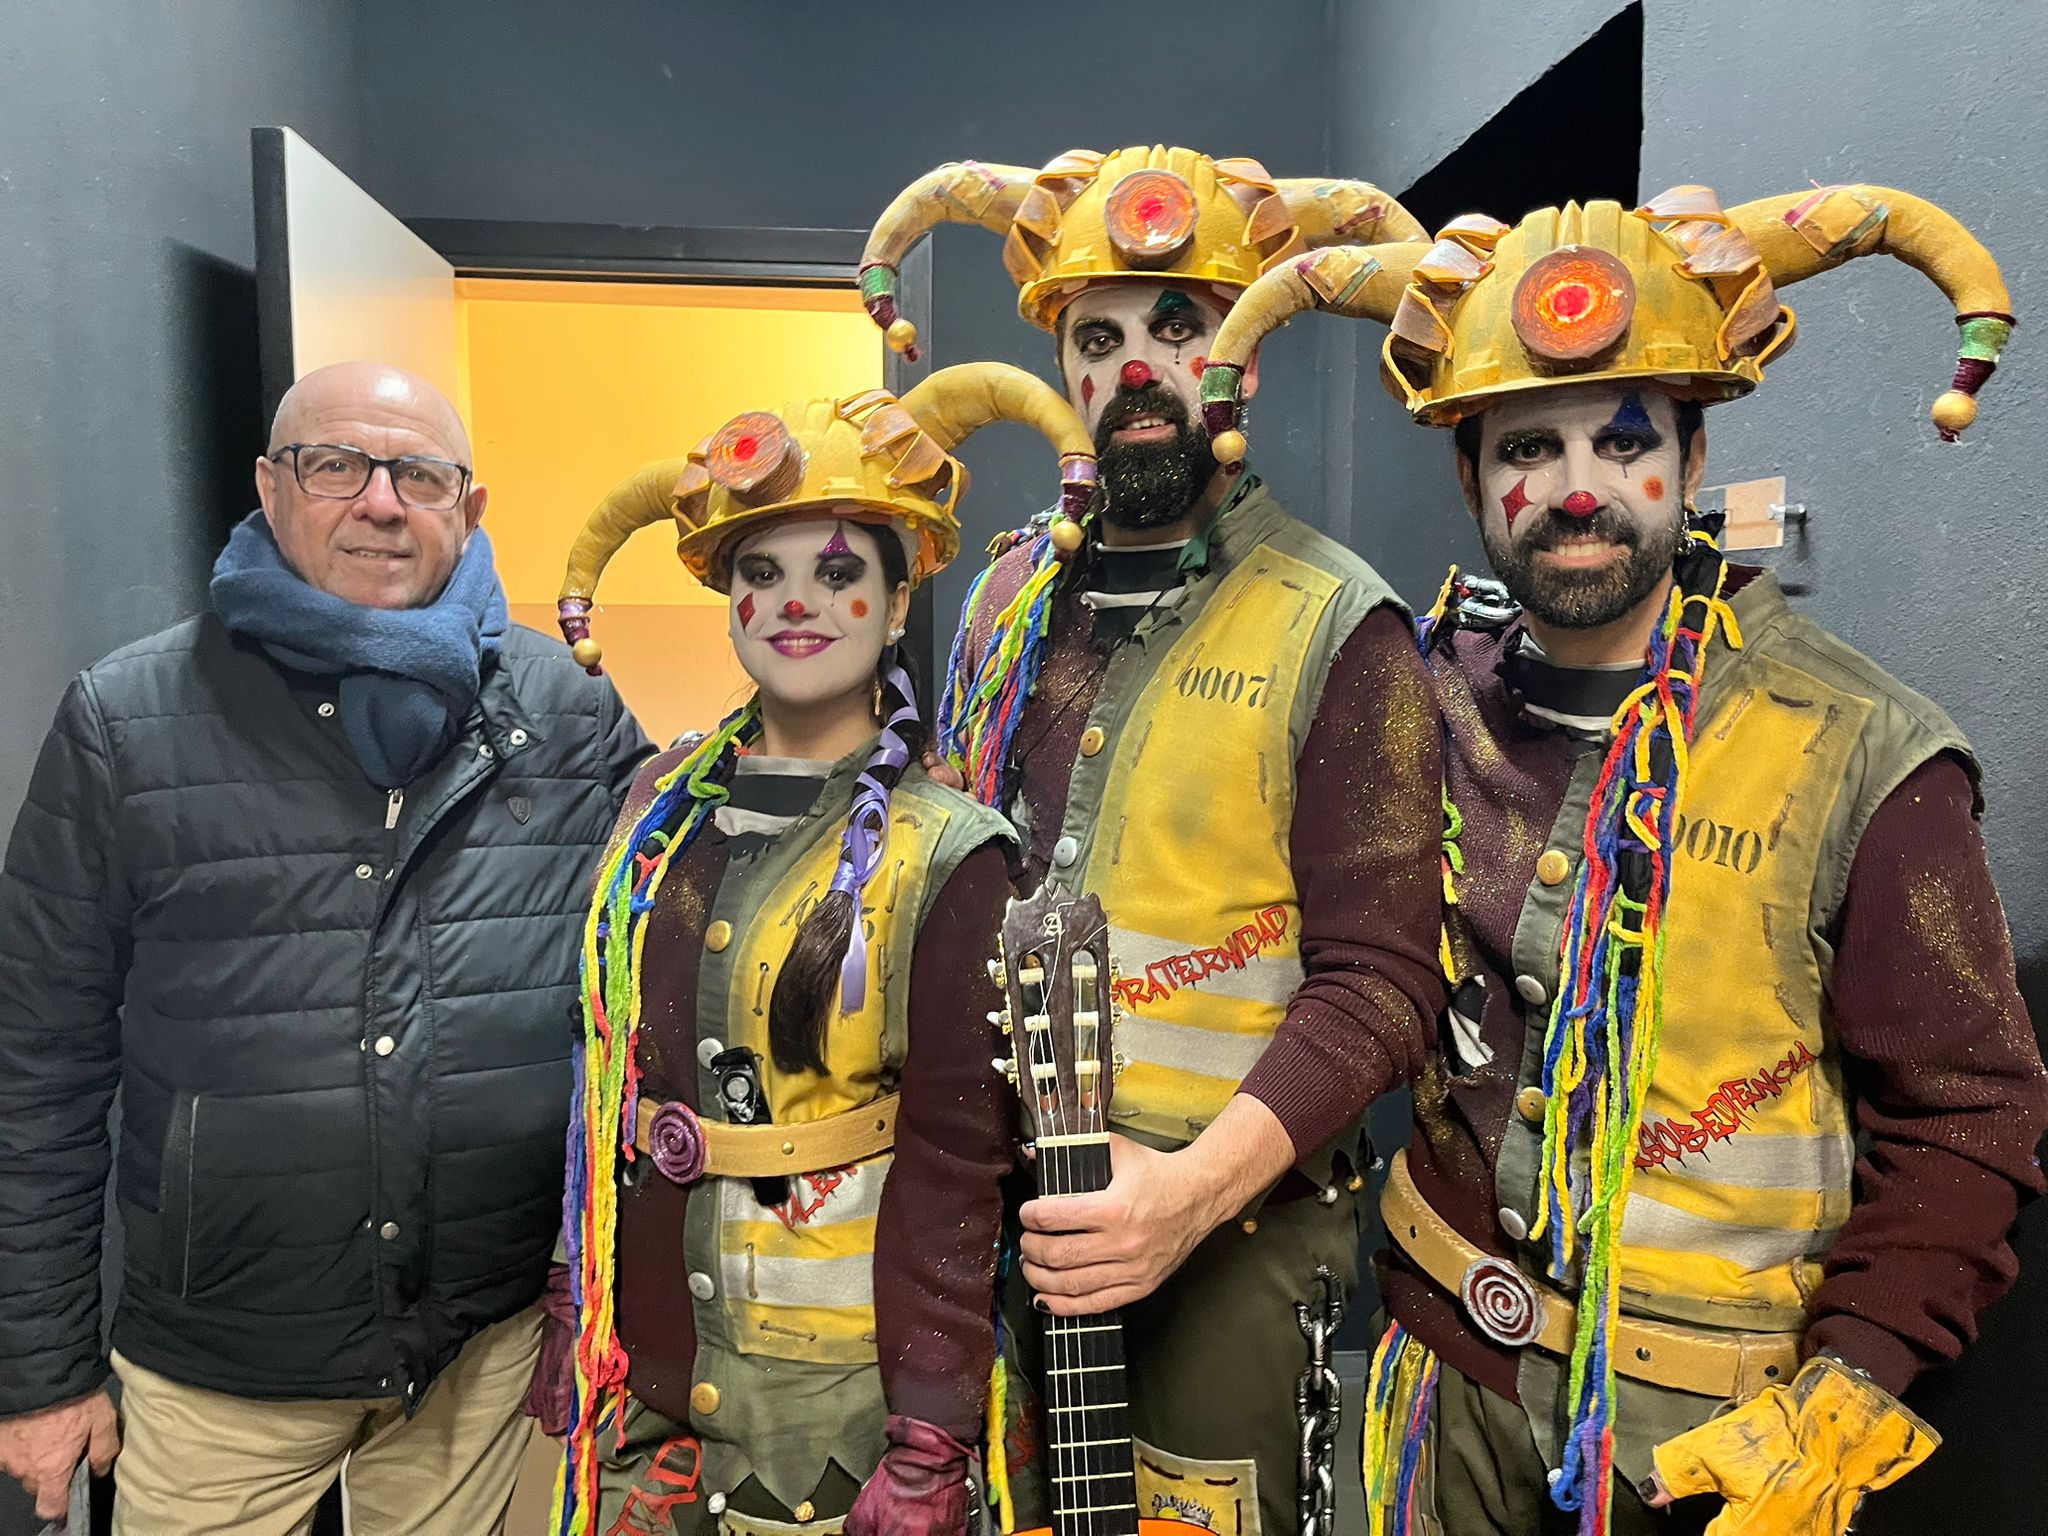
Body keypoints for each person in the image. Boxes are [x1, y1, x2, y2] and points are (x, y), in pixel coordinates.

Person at [1203, 183, 2048, 1535]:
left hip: (1710, 1443)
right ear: (1473, 478)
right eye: (1528, 446)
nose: (1578, 488)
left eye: (1626, 439)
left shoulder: (1867, 753)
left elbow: (1971, 1120)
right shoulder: (1421, 700)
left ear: (1695, 466)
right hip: (1441, 1390)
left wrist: (1854, 1385)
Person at [861, 147, 1447, 1536]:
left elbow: (1384, 984)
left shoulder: (1336, 623)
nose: (1138, 371)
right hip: (1005, 1214)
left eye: (1179, 330)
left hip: (1225, 1232)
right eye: (1098, 338)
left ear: (1240, 359)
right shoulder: (1006, 600)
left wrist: (1184, 1196)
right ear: (1061, 369)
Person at [0, 360, 652, 1533]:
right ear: (269, 483)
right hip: (222, 1363)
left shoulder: (568, 714)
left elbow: (661, 970)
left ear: (470, 505)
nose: (380, 501)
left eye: (418, 473)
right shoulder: (128, 720)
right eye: (335, 464)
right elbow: (32, 1069)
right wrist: (39, 1371)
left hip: (485, 1353)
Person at [543, 365, 1098, 1536]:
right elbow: (608, 1087)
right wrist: (573, 1294)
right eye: (762, 572)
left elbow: (959, 1161)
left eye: (838, 573)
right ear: (727, 597)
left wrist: (933, 1427)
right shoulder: (661, 810)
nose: (796, 600)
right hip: (651, 1400)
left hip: (839, 1421)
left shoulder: (950, 852)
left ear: (899, 603)